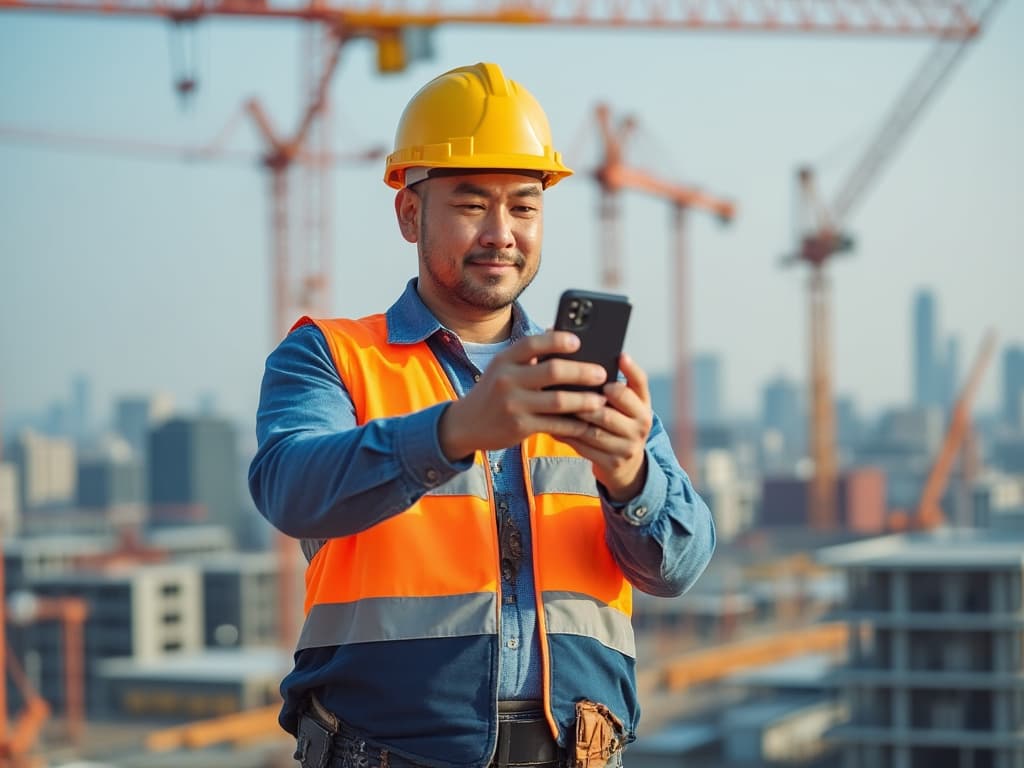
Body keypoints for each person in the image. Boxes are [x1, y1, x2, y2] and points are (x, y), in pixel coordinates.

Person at [248, 61, 715, 768]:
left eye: (524, 206)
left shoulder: (591, 375)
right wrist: (454, 430)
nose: (502, 232)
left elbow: (679, 566)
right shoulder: (331, 355)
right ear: (411, 213)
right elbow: (290, 488)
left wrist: (630, 477)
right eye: (472, 204)